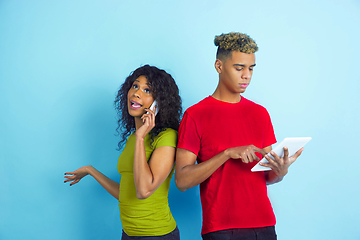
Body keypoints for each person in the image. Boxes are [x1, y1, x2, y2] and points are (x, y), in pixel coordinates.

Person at [175, 32, 303, 240]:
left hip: (264, 226)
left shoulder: (260, 114)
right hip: (221, 229)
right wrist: (226, 154)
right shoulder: (195, 115)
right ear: (219, 66)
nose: (247, 75)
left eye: (251, 68)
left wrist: (281, 171)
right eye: (239, 68)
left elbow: (268, 177)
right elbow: (182, 180)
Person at [64, 65, 182, 240]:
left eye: (147, 90)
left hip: (157, 234)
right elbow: (127, 193)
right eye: (135, 86)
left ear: (159, 103)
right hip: (128, 234)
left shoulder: (167, 137)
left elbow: (143, 191)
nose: (136, 93)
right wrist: (91, 170)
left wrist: (142, 137)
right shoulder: (133, 139)